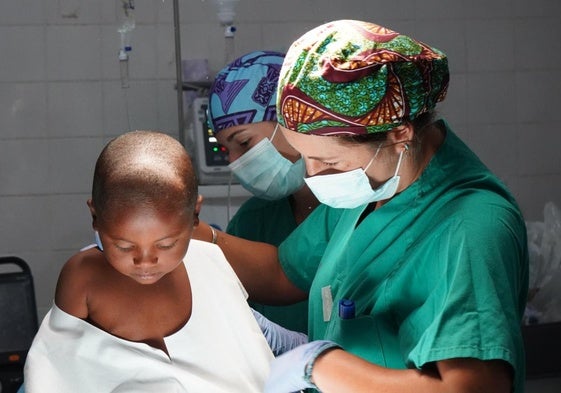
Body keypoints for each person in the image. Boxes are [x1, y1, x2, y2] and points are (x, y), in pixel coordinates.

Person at [193, 20, 529, 393]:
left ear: (399, 133)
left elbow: (472, 389)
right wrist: (185, 231)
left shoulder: (470, 226)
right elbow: (283, 271)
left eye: (330, 162)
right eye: (304, 157)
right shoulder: (370, 189)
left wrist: (322, 366)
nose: (314, 176)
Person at [23, 131, 273, 392]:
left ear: (195, 215)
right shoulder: (84, 278)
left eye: (165, 245)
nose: (145, 261)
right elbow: (52, 374)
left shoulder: (210, 264)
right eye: (124, 246)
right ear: (95, 217)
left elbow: (250, 362)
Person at [206, 50, 319, 333]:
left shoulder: (353, 206)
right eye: (226, 151)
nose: (235, 163)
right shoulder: (253, 220)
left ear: (293, 120)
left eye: (243, 143)